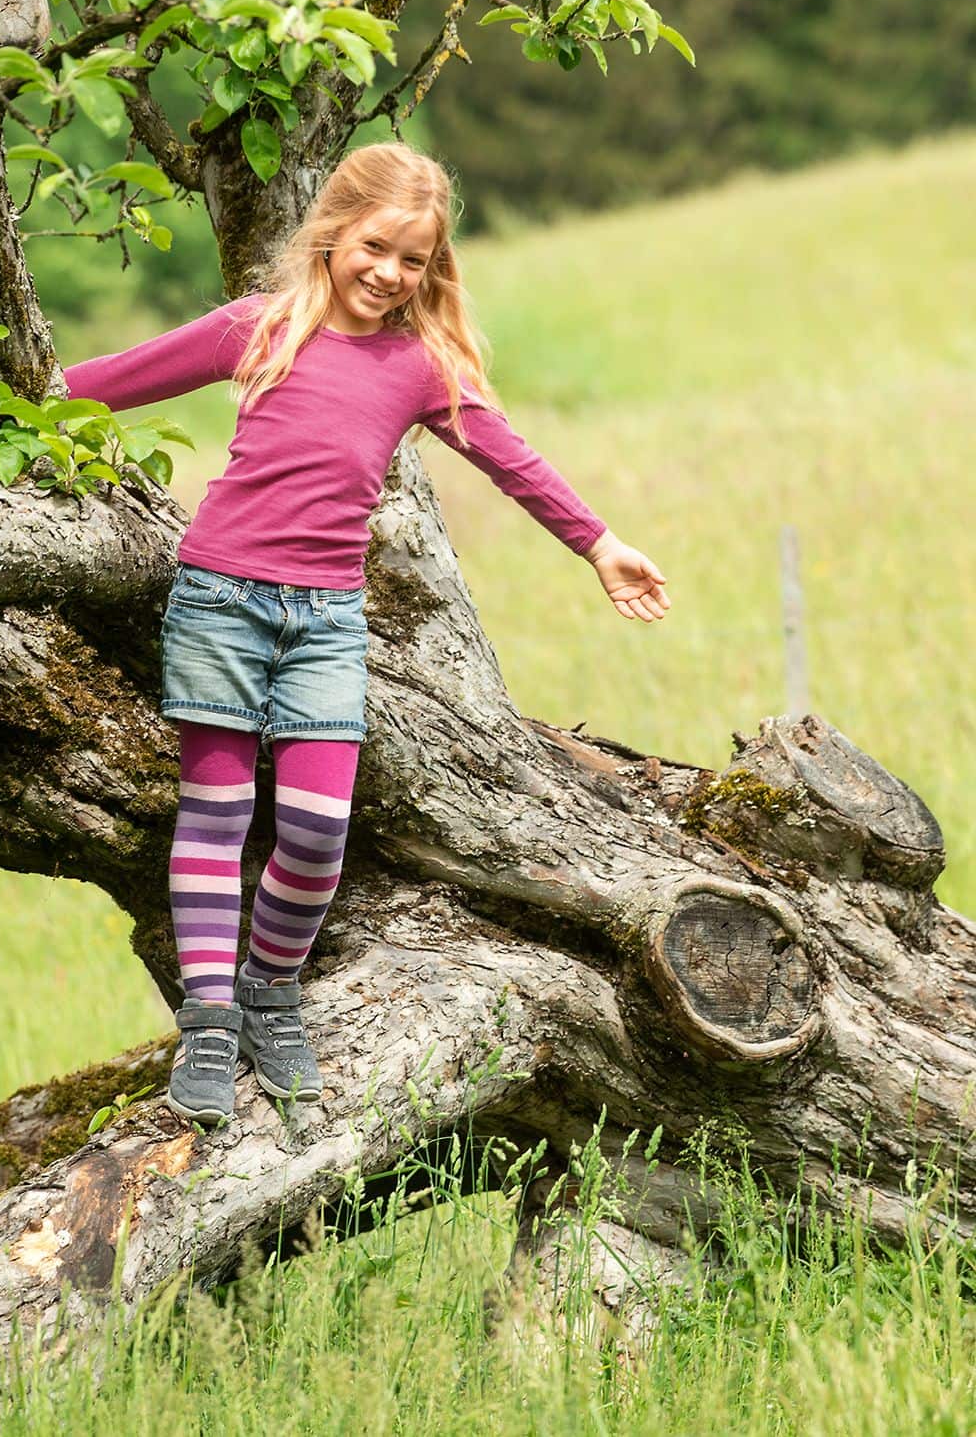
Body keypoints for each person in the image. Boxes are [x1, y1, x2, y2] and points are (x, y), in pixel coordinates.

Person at [63, 141, 670, 1127]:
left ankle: (270, 989)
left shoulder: (421, 365)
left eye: (415, 261)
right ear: (335, 232)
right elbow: (104, 382)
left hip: (326, 622)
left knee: (312, 830)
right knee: (215, 817)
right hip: (221, 598)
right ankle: (210, 1026)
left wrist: (598, 543)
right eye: (376, 247)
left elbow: (512, 460)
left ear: (435, 271)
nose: (390, 274)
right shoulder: (253, 328)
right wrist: (10, 403)